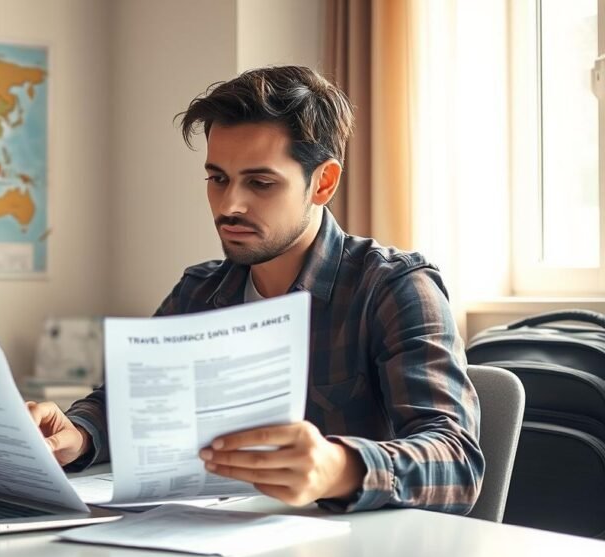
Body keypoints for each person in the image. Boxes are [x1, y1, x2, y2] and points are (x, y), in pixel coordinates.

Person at [27, 65, 484, 513]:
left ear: (322, 182)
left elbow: (457, 462)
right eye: (218, 178)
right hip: (204, 544)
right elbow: (124, 405)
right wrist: (78, 432)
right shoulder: (198, 292)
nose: (229, 205)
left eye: (260, 183)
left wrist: (338, 467)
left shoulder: (394, 288)